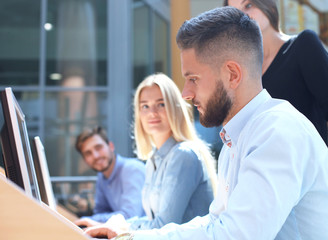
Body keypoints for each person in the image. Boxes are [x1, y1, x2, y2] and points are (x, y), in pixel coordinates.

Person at [84, 6, 328, 240]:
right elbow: (215, 223)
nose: (185, 94)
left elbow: (237, 236)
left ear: (232, 74)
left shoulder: (277, 132)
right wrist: (131, 236)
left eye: (193, 78)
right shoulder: (237, 138)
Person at [84, 73, 217, 238]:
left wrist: (121, 227)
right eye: (145, 106)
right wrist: (109, 225)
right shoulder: (153, 160)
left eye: (161, 104)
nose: (152, 112)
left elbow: (164, 225)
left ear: (175, 108)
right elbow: (151, 219)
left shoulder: (183, 155)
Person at [224, 0, 328, 145]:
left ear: (269, 7)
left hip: (309, 163)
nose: (243, 16)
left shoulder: (303, 45)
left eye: (248, 5)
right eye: (235, 13)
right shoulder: (241, 73)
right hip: (265, 165)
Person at [74, 126, 145, 227]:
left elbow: (130, 215)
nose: (95, 156)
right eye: (88, 153)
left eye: (98, 148)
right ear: (85, 160)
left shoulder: (132, 169)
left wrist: (89, 220)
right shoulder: (102, 177)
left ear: (111, 146)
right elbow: (100, 211)